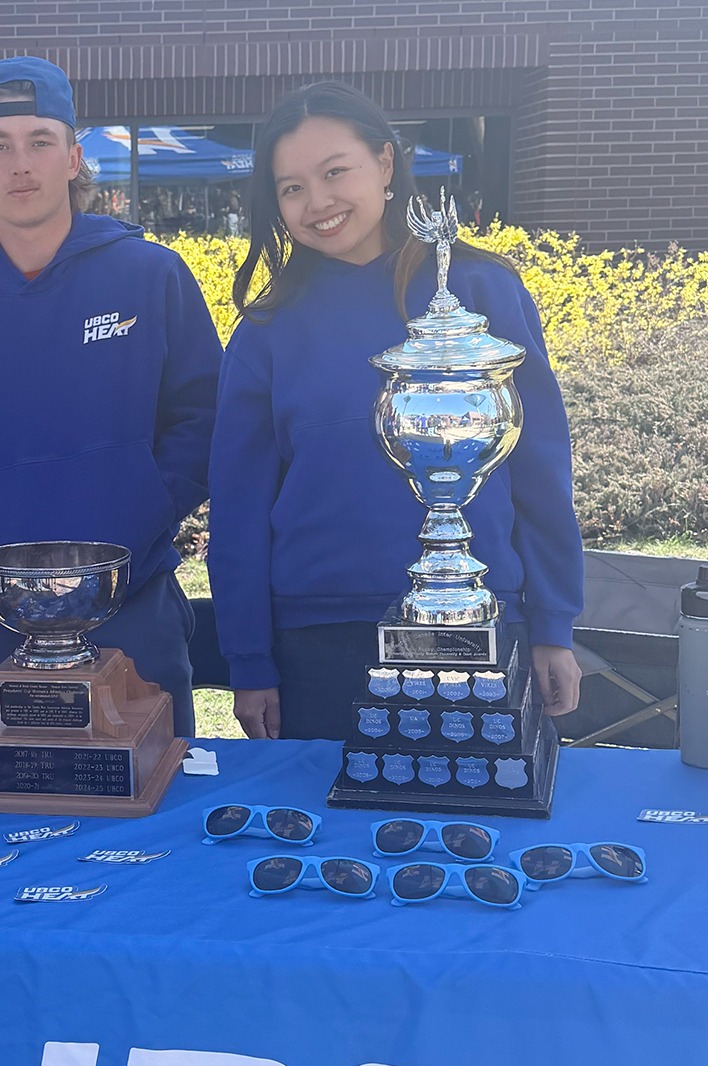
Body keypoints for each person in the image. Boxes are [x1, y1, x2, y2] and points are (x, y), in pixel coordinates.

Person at [208, 81, 584, 741]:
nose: (317, 202)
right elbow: (237, 507)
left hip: (479, 624)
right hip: (319, 637)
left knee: (484, 833)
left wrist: (553, 623)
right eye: (291, 188)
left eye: (334, 173)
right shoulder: (268, 329)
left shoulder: (480, 290)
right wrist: (249, 660)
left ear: (385, 164)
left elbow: (540, 467)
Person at [0, 56, 220, 734]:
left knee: (153, 802)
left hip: (134, 608)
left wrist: (143, 511)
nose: (21, 164)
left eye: (40, 141)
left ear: (73, 155)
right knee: (18, 814)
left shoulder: (151, 277)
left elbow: (205, 417)